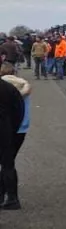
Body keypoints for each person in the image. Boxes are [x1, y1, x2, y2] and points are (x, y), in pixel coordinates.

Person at [0, 66, 24, 211]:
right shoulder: (8, 88)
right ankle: (12, 198)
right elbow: (19, 109)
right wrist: (13, 127)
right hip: (6, 129)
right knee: (8, 164)